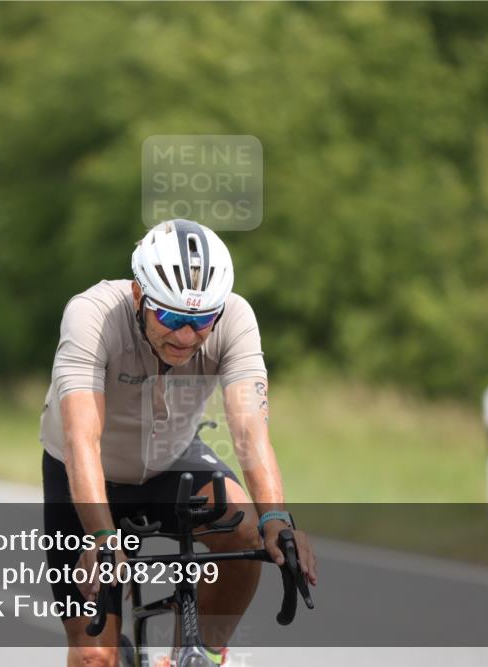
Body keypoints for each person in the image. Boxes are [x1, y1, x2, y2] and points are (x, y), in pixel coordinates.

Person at [40, 218, 317, 666]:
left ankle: (203, 652)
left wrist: (278, 520)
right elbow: (81, 440)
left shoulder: (237, 318)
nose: (186, 337)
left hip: (172, 463)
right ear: (138, 295)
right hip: (87, 477)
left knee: (248, 526)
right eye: (169, 316)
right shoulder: (91, 314)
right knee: (94, 656)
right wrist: (101, 534)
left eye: (202, 320)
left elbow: (249, 432)